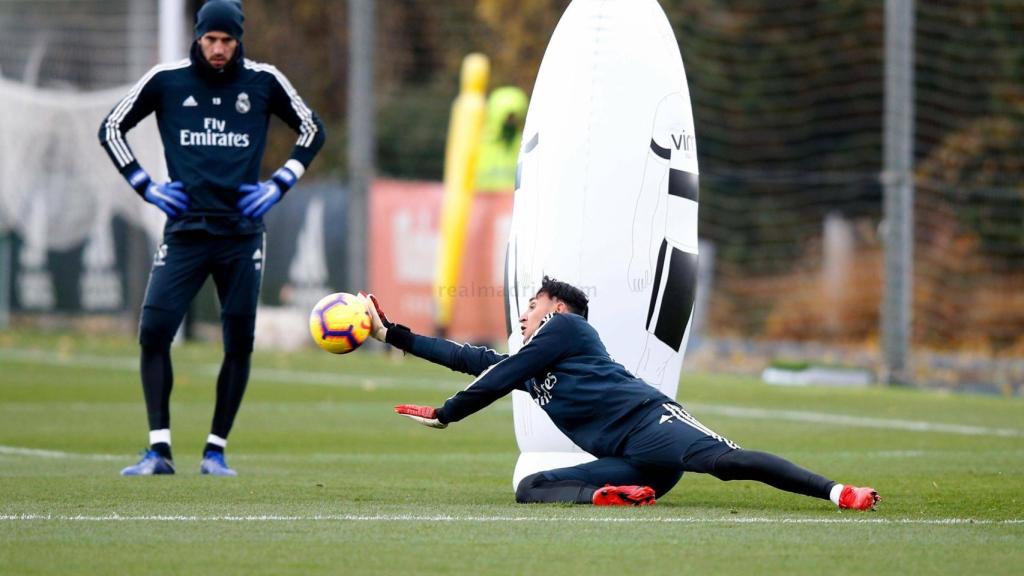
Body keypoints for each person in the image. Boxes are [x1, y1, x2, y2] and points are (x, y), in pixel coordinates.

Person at [361, 278, 880, 509]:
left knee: (728, 463)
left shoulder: (567, 330)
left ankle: (839, 492)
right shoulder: (530, 364)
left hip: (653, 425)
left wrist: (449, 413)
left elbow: (494, 377)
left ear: (557, 309)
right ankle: (608, 497)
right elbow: (464, 357)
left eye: (532, 304)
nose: (523, 315)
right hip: (630, 466)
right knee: (531, 488)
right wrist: (390, 335)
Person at [99, 0, 325, 476]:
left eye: (227, 40)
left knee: (238, 342)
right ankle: (159, 450)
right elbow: (112, 128)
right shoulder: (167, 80)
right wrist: (146, 186)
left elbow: (312, 130)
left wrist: (279, 183)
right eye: (211, 39)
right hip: (185, 231)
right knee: (154, 332)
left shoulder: (263, 81)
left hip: (241, 235)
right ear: (197, 37)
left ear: (239, 40)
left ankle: (215, 451)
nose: (219, 49)